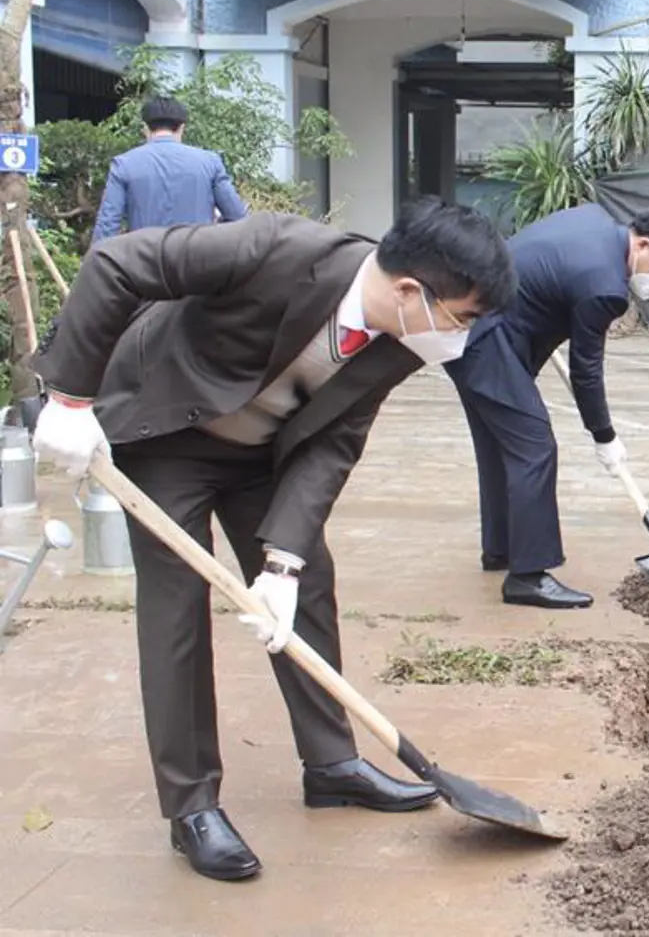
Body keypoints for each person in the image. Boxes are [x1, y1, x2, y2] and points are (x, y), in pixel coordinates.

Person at [29, 197, 516, 881]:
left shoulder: (403, 335)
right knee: (177, 607)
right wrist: (72, 400)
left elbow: (335, 442)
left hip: (265, 452)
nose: (460, 337)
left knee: (309, 580)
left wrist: (282, 564)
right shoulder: (274, 250)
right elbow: (117, 263)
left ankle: (332, 763)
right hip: (167, 435)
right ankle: (192, 805)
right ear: (411, 291)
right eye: (462, 317)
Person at [445, 202, 649, 610]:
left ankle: (503, 549)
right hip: (489, 342)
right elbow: (587, 371)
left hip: (473, 327)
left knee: (501, 445)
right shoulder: (606, 286)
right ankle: (527, 577)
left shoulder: (593, 219)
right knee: (534, 448)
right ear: (646, 244)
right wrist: (605, 436)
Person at [92, 96, 249, 243]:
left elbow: (107, 225)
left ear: (145, 128)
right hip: (198, 261)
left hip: (145, 261)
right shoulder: (210, 162)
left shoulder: (124, 164)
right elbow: (237, 216)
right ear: (181, 128)